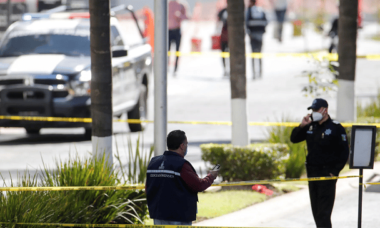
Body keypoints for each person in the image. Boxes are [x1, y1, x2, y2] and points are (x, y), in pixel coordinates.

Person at [290, 98, 349, 228]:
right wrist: (302, 125)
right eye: (312, 110)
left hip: (327, 175)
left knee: (324, 213)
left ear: (325, 110)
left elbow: (344, 153)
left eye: (316, 109)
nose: (313, 112)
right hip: (312, 174)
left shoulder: (335, 128)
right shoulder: (311, 126)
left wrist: (334, 171)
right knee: (316, 213)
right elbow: (294, 139)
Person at [145, 130, 219, 225]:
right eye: (186, 144)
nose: (187, 146)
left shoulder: (154, 162)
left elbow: (148, 189)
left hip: (158, 215)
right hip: (178, 217)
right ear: (182, 145)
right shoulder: (182, 165)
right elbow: (199, 185)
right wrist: (211, 176)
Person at [246, 0, 267, 79]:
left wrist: (249, 33)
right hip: (260, 35)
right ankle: (260, 73)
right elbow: (266, 22)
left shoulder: (250, 10)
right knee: (259, 54)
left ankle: (254, 73)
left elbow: (246, 23)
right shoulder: (261, 10)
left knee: (253, 55)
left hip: (253, 36)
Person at [168, 0, 189, 75]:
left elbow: (186, 17)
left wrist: (179, 15)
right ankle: (167, 67)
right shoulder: (168, 4)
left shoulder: (181, 5)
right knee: (167, 50)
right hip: (169, 30)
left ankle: (175, 68)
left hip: (177, 30)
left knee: (177, 50)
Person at [217, 7, 229, 76]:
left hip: (229, 37)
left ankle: (228, 69)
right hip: (224, 35)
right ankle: (225, 69)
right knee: (224, 54)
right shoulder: (223, 11)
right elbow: (218, 20)